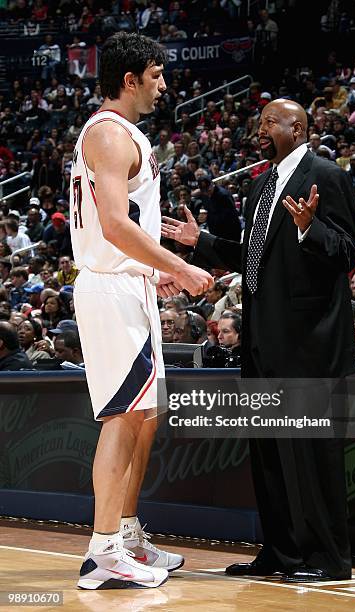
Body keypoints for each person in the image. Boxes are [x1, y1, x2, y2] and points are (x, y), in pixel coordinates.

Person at [162, 98, 355, 583]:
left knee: (310, 457)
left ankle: (329, 560)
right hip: (262, 342)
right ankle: (281, 552)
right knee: (270, 454)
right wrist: (199, 241)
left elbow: (347, 253)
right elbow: (253, 255)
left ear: (298, 127)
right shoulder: (260, 186)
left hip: (308, 346)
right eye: (259, 122)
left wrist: (310, 227)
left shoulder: (326, 174)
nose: (261, 129)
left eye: (271, 122)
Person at [70, 32, 212, 591]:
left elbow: (123, 229)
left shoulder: (123, 134)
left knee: (142, 418)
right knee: (122, 417)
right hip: (108, 291)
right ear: (129, 80)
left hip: (128, 285)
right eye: (156, 75)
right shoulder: (107, 133)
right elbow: (111, 224)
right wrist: (178, 267)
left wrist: (152, 271)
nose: (163, 85)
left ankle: (124, 534)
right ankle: (103, 551)